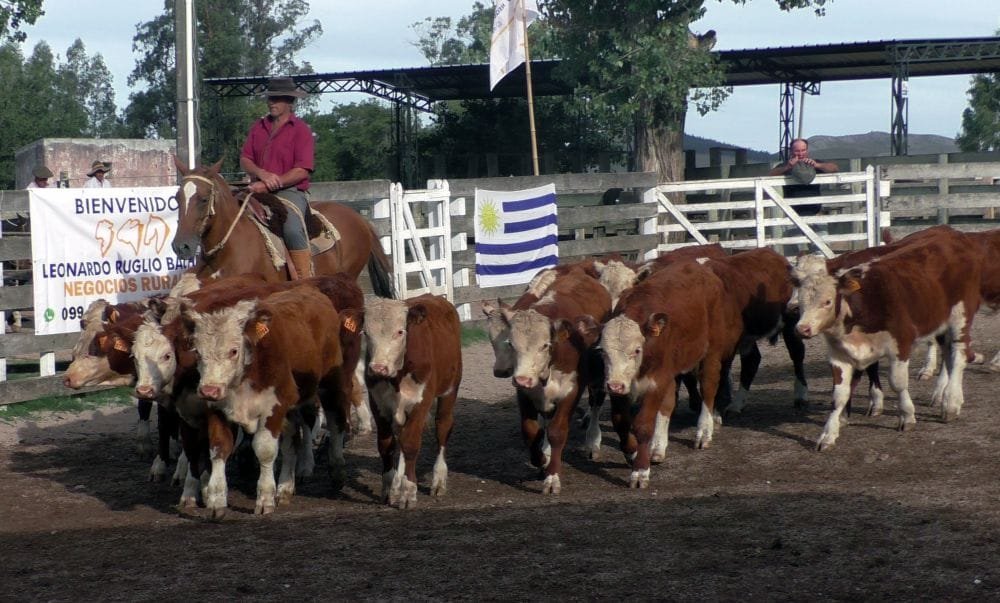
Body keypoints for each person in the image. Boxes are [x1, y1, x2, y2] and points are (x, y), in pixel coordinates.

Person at [239, 76, 315, 279]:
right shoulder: (258, 127)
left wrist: (274, 183)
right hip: (257, 189)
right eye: (270, 97)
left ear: (289, 102)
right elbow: (245, 158)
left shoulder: (301, 130)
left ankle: (304, 279)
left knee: (291, 228)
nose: (272, 102)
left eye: (278, 98)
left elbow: (302, 169)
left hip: (290, 192)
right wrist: (261, 174)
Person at [768, 138, 839, 252]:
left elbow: (834, 168)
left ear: (807, 150)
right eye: (797, 151)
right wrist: (788, 167)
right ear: (791, 151)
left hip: (815, 214)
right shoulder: (785, 165)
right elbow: (770, 175)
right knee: (797, 253)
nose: (800, 153)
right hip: (793, 217)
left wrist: (818, 165)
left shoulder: (814, 163)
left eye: (803, 150)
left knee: (823, 250)